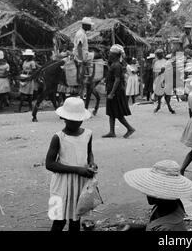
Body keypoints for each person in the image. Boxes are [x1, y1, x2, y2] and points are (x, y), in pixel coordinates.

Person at [45, 97, 96, 232]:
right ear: (64, 118)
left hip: (79, 183)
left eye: (78, 120)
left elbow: (89, 152)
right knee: (58, 221)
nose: (75, 123)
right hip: (61, 184)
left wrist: (91, 163)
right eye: (72, 120)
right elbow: (49, 164)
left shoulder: (88, 134)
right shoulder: (58, 137)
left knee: (75, 220)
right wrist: (76, 170)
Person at [123, 160, 192, 231]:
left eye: (152, 190)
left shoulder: (168, 228)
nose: (147, 194)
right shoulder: (167, 205)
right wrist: (134, 227)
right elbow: (154, 225)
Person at [102, 45, 136, 139]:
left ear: (115, 55)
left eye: (110, 54)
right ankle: (112, 131)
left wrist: (112, 93)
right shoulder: (114, 64)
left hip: (116, 92)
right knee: (111, 112)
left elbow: (117, 80)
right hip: (113, 90)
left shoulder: (116, 65)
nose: (109, 55)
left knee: (117, 112)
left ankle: (130, 128)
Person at [153, 49, 175, 114]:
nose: (159, 55)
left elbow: (167, 71)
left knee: (166, 94)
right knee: (160, 94)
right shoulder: (156, 62)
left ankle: (165, 107)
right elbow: (155, 72)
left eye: (160, 54)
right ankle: (162, 106)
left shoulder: (166, 62)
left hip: (165, 79)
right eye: (158, 54)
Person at [73, 17, 93, 87]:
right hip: (80, 57)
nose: (90, 27)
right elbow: (79, 47)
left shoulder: (82, 33)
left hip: (83, 55)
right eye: (90, 25)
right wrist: (81, 60)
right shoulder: (81, 34)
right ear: (85, 25)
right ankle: (81, 81)